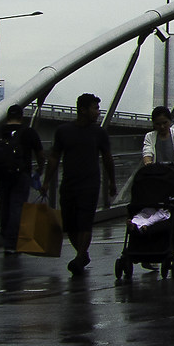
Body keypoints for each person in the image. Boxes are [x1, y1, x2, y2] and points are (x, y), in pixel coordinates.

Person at [42, 93, 116, 277]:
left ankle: (80, 256)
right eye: (95, 108)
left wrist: (112, 182)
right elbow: (54, 157)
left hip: (90, 184)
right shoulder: (63, 131)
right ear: (83, 109)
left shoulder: (99, 133)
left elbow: (107, 158)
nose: (98, 112)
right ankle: (82, 254)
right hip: (69, 184)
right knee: (70, 225)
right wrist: (46, 181)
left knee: (85, 223)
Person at [0, 105, 43, 251]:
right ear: (21, 117)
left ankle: (5, 236)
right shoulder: (29, 132)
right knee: (17, 207)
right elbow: (40, 155)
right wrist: (40, 169)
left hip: (0, 175)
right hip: (21, 175)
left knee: (5, 206)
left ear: (7, 116)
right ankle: (12, 242)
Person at [141, 104, 174, 221]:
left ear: (170, 121)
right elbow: (147, 151)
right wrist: (148, 162)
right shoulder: (150, 136)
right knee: (158, 210)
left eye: (165, 123)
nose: (162, 126)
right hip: (158, 179)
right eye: (158, 124)